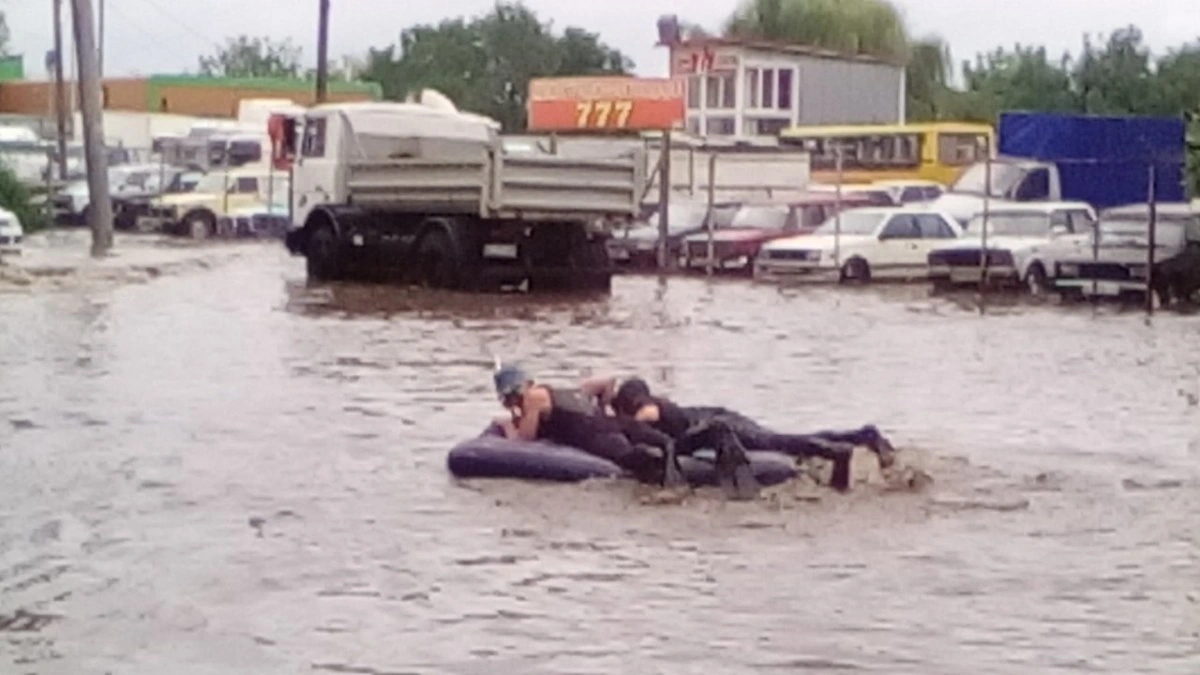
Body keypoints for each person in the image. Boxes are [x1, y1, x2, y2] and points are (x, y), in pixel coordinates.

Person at [611, 377, 897, 492]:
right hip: (714, 416)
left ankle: (842, 448)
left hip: (719, 424)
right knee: (783, 439)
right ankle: (862, 435)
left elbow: (647, 416)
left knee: (780, 443)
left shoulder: (644, 407)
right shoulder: (652, 402)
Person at [491, 363, 689, 489]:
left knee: (630, 459)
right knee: (661, 440)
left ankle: (668, 480)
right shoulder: (560, 391)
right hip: (609, 420)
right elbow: (607, 382)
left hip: (592, 434)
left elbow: (525, 439)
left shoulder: (532, 398)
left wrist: (508, 426)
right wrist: (605, 406)